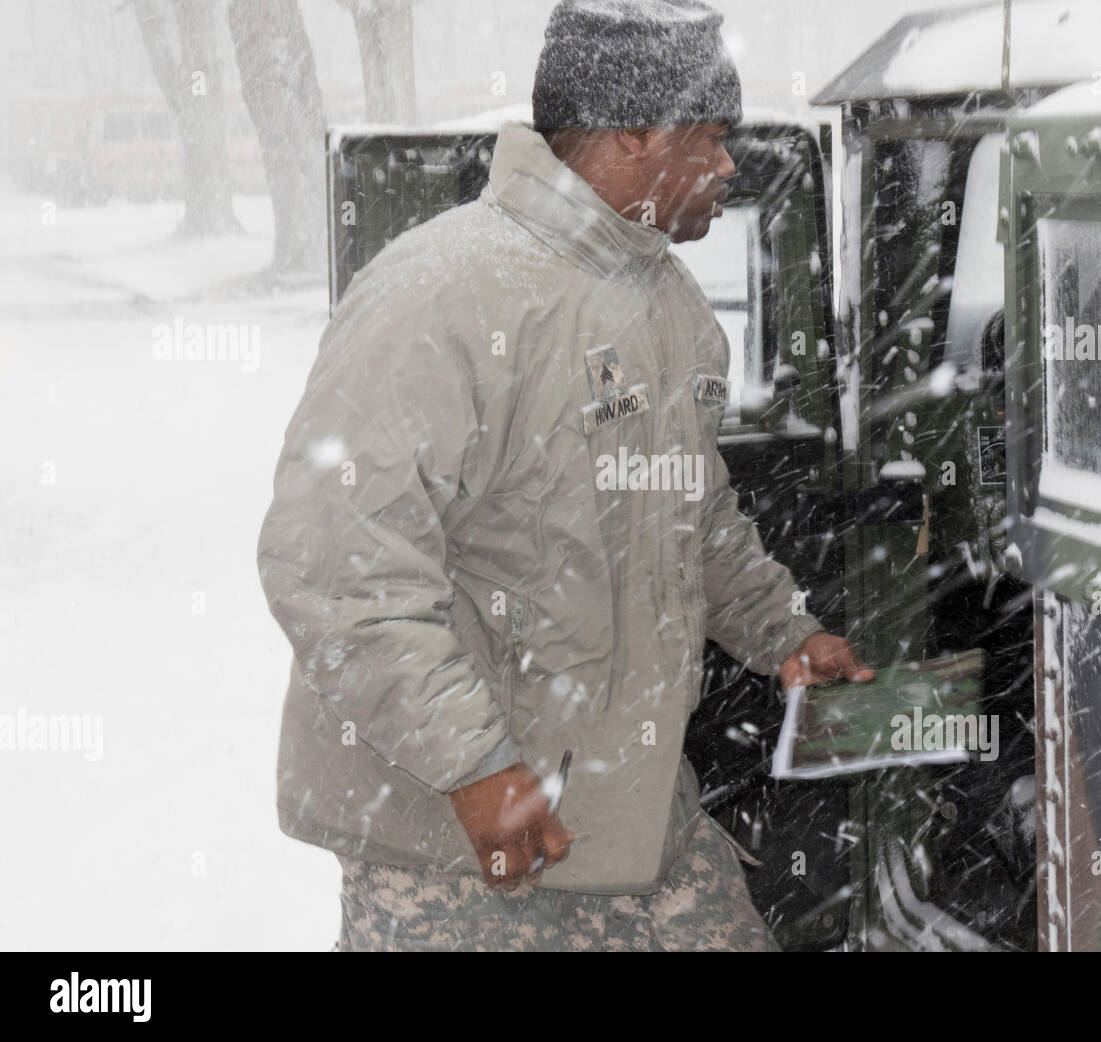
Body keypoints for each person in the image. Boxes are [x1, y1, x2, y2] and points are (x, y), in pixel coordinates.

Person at [257, 0, 873, 952]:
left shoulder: (665, 302)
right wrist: (473, 766)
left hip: (634, 811)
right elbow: (336, 563)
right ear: (635, 132)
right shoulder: (442, 293)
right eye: (710, 138)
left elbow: (692, 512)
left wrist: (780, 633)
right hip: (467, 847)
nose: (727, 167)